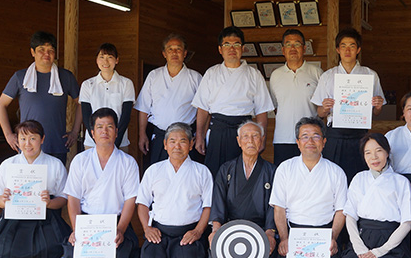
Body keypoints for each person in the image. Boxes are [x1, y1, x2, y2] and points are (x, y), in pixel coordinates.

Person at [58, 108, 140, 258]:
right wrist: (77, 230)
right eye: (100, 127)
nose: (105, 131)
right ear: (92, 133)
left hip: (116, 223)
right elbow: (73, 199)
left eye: (109, 126)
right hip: (87, 223)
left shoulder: (128, 162)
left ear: (116, 132)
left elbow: (131, 201)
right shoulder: (80, 161)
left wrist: (121, 230)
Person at [0, 120, 72, 258]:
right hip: (14, 217)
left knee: (49, 251)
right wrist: (5, 201)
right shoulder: (8, 165)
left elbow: (64, 197)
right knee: (6, 253)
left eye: (33, 138)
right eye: (23, 139)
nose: (27, 144)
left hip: (45, 217)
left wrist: (49, 203)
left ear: (42, 139)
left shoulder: (55, 164)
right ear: (17, 140)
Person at [269, 117, 347, 258]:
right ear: (297, 142)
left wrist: (333, 238)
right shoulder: (285, 168)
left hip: (324, 232)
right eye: (305, 136)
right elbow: (279, 208)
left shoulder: (336, 171)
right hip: (294, 232)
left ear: (324, 142)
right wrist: (284, 239)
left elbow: (341, 211)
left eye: (316, 136)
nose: (310, 141)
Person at [193, 26, 274, 177]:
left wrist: (262, 138)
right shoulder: (211, 73)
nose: (232, 48)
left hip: (245, 131)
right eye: (227, 45)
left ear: (243, 48)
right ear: (220, 49)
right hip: (218, 130)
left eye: (236, 44)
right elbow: (202, 109)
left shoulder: (254, 74)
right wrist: (199, 136)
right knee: (215, 175)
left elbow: (262, 111)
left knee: (243, 174)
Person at [338, 133, 411, 258]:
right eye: (368, 153)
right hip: (364, 236)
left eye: (378, 151)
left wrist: (381, 251)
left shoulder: (400, 181)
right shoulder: (359, 178)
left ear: (387, 152)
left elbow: (407, 222)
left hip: (391, 241)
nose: (374, 157)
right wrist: (359, 248)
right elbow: (350, 216)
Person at [311, 28, 386, 183]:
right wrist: (324, 107)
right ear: (338, 49)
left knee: (359, 178)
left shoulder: (369, 74)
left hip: (360, 133)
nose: (347, 50)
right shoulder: (328, 76)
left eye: (352, 46)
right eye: (343, 46)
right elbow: (319, 112)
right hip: (335, 133)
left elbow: (377, 112)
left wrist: (378, 106)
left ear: (358, 49)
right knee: (333, 178)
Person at [137, 122, 212, 258]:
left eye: (183, 141)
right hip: (160, 231)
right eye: (172, 141)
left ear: (191, 145)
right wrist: (147, 228)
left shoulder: (202, 171)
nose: (177, 146)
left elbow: (208, 206)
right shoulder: (153, 170)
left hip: (188, 231)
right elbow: (142, 204)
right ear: (165, 145)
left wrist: (197, 231)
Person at [0, 31, 81, 164]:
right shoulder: (20, 77)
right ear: (32, 52)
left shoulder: (66, 77)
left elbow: (81, 103)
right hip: (28, 147)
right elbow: (1, 105)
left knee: (55, 185)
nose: (46, 54)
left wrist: (75, 132)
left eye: (50, 50)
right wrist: (8, 135)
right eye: (41, 49)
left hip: (57, 145)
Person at [206, 121, 278, 258]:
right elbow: (218, 199)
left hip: (260, 231)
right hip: (231, 230)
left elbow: (275, 205)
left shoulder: (272, 171)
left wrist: (270, 232)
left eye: (255, 136)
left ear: (262, 140)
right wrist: (216, 229)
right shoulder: (227, 168)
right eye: (245, 136)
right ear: (239, 141)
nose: (250, 141)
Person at [135, 34, 203, 165]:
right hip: (160, 136)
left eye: (178, 49)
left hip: (185, 137)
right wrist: (142, 134)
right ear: (164, 53)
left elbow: (203, 109)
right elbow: (144, 108)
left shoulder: (195, 78)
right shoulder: (154, 76)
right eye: (170, 49)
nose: (174, 52)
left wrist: (200, 135)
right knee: (159, 176)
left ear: (185, 53)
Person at [269, 29, 323, 165]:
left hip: (310, 139)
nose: (292, 48)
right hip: (283, 138)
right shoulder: (275, 75)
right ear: (283, 50)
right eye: (288, 44)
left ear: (304, 48)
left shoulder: (316, 73)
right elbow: (276, 107)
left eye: (297, 44)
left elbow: (323, 108)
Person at [80, 43, 135, 151]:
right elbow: (86, 116)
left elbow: (126, 116)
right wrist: (97, 141)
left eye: (110, 57)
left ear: (117, 60)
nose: (105, 62)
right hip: (92, 143)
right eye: (102, 57)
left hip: (120, 142)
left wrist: (115, 143)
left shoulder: (126, 83)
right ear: (96, 60)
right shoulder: (87, 84)